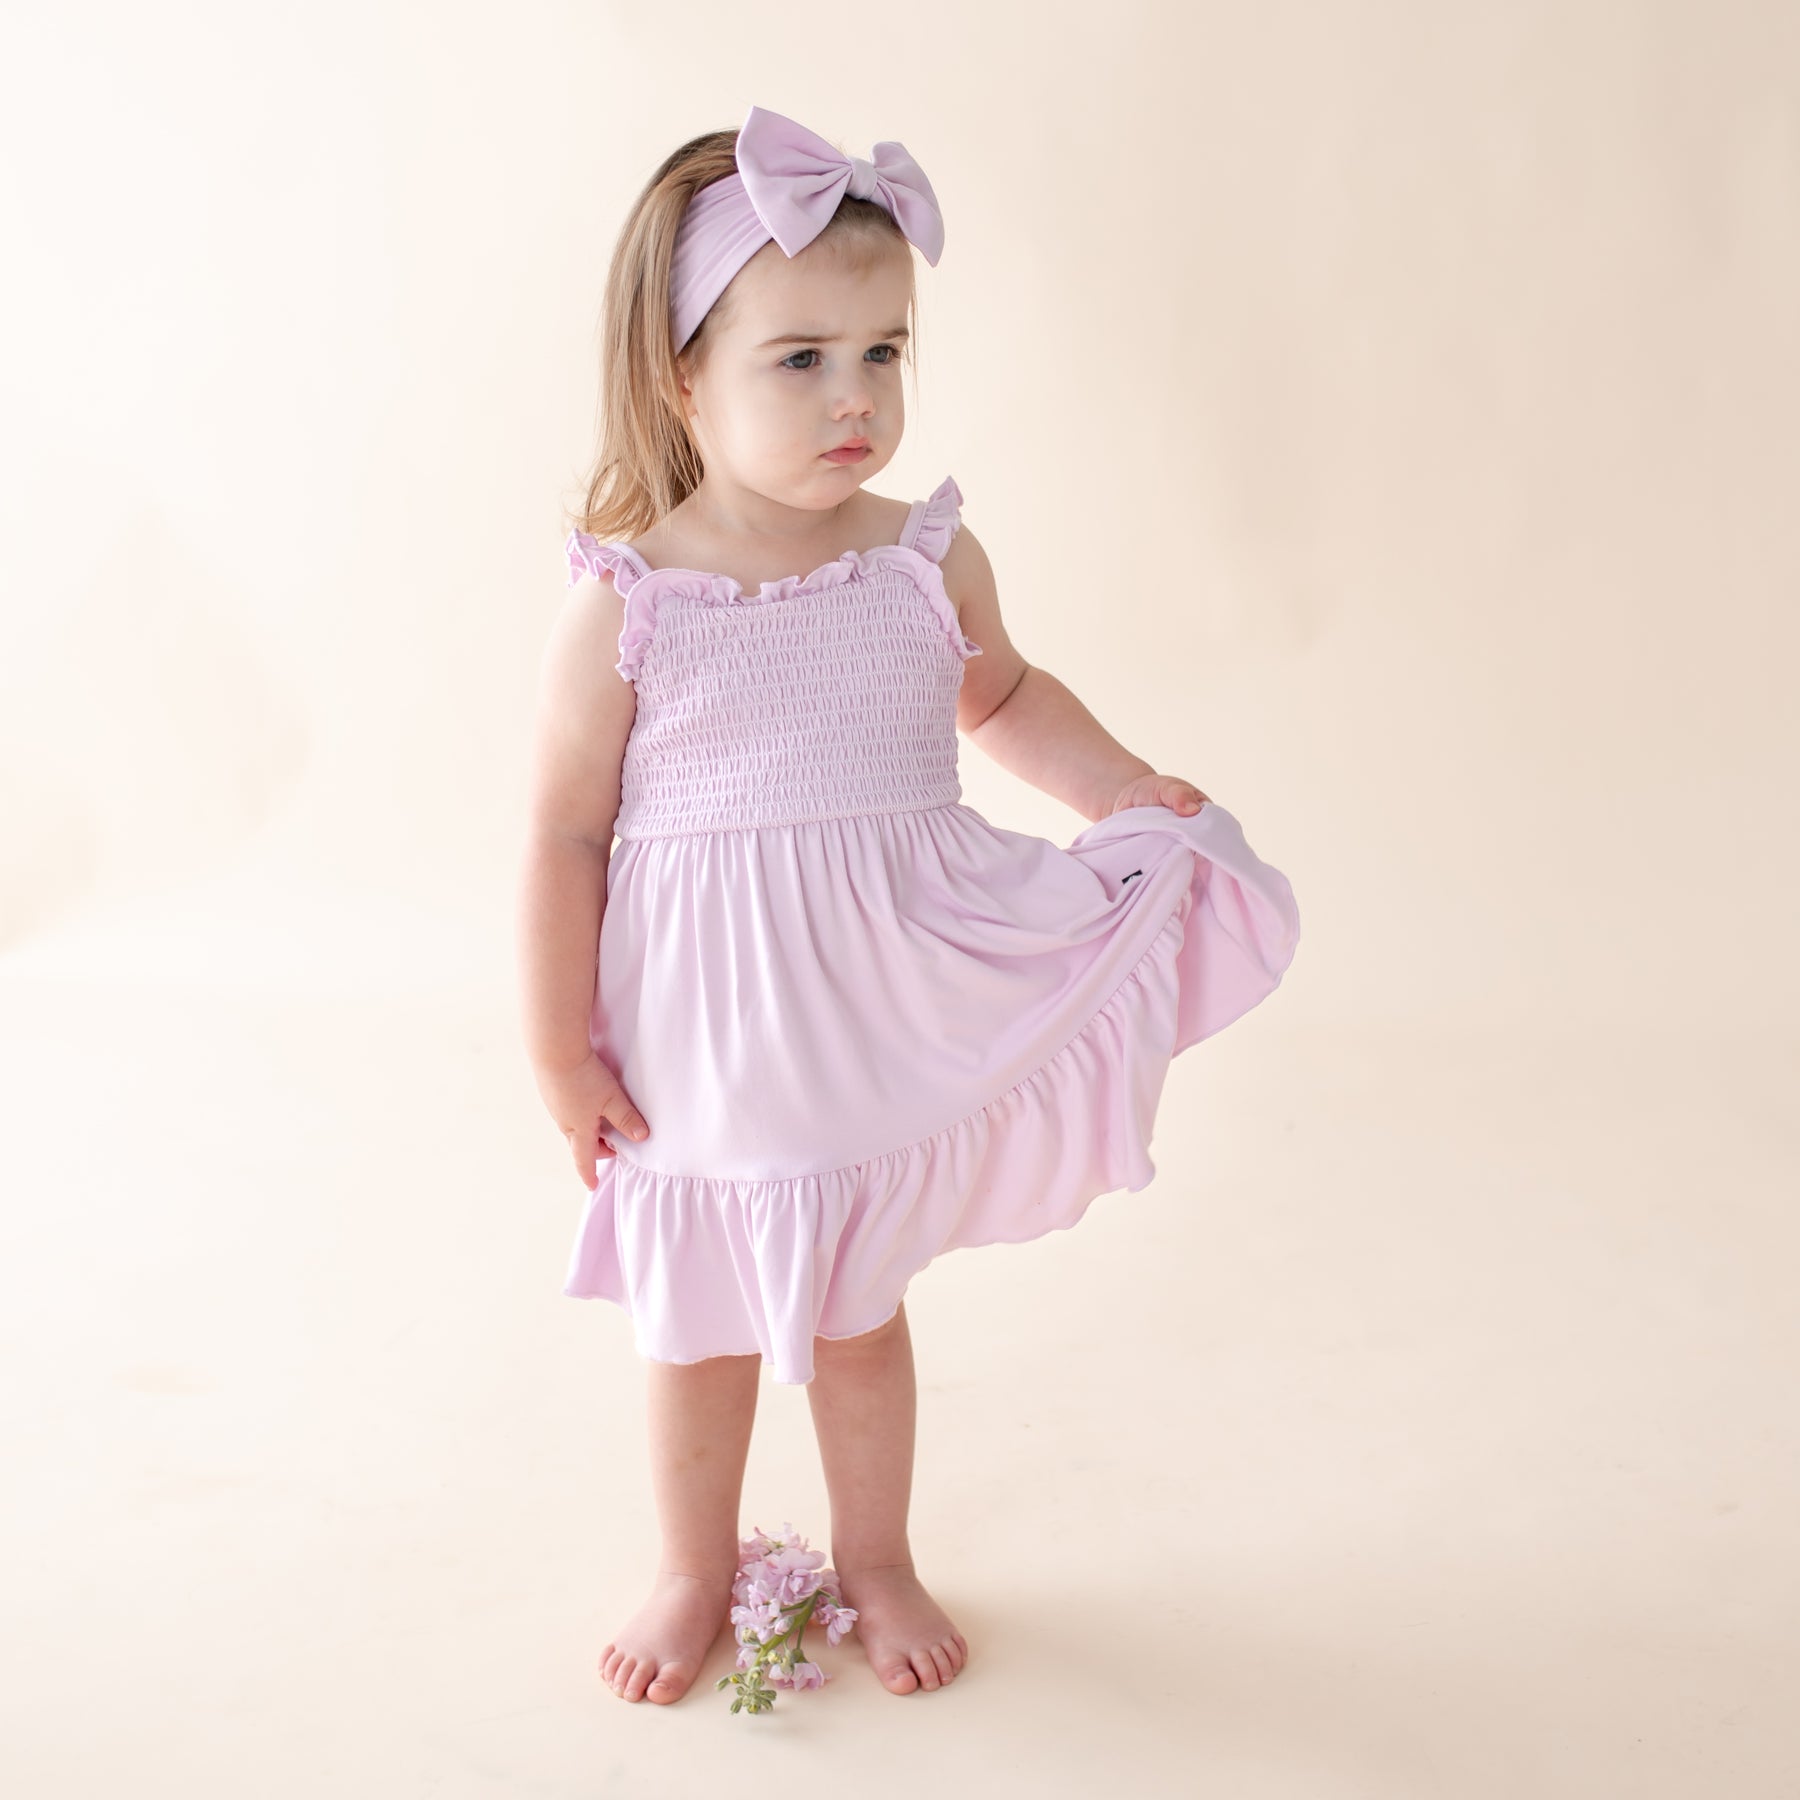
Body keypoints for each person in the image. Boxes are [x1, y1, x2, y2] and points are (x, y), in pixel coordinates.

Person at [516, 103, 1301, 1708]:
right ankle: (692, 1567)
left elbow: (1002, 698)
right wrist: (557, 1052)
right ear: (681, 375)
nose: (855, 396)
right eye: (800, 359)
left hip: (874, 1000)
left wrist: (1120, 788)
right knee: (700, 1327)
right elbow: (564, 834)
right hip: (706, 1029)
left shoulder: (919, 561)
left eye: (884, 352)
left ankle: (875, 1556)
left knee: (857, 1311)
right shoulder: (634, 602)